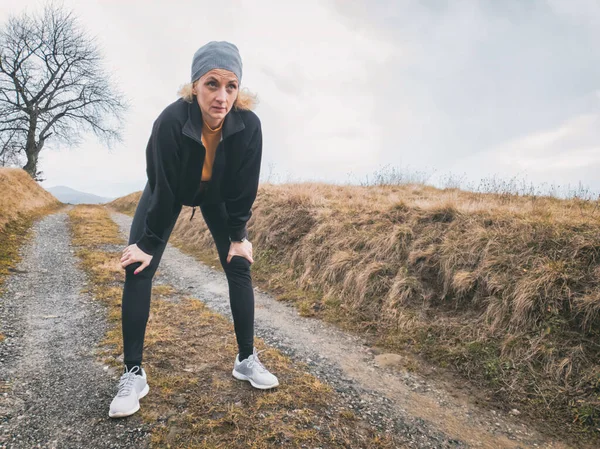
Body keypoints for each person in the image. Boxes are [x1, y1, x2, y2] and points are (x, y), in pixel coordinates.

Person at [108, 41, 279, 419]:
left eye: (230, 86)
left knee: (239, 265)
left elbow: (243, 187)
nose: (221, 96)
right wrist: (149, 243)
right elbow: (164, 185)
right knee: (138, 266)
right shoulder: (171, 121)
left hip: (217, 197)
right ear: (194, 86)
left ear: (239, 90)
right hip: (168, 194)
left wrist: (239, 236)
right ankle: (133, 373)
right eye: (212, 84)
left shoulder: (249, 126)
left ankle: (246, 359)